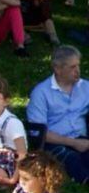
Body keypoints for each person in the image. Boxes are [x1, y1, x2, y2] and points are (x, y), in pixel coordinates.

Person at [27, 45, 89, 183]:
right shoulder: (41, 93)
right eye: (72, 67)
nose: (77, 71)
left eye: (78, 66)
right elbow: (38, 132)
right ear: (58, 69)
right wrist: (74, 143)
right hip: (55, 142)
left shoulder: (85, 87)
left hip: (83, 138)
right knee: (71, 160)